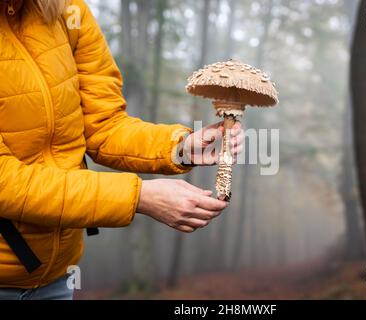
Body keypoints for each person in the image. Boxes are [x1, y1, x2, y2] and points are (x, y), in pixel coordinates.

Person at [0, 0, 244, 299]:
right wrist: (139, 196)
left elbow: (103, 125)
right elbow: (4, 182)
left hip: (57, 277)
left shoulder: (66, 11)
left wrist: (180, 147)